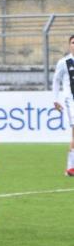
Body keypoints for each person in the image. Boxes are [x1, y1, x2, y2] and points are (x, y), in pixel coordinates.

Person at [52, 35, 74, 176]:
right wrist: (56, 99)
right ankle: (70, 167)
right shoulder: (64, 62)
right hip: (70, 100)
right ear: (69, 45)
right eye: (73, 42)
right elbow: (56, 80)